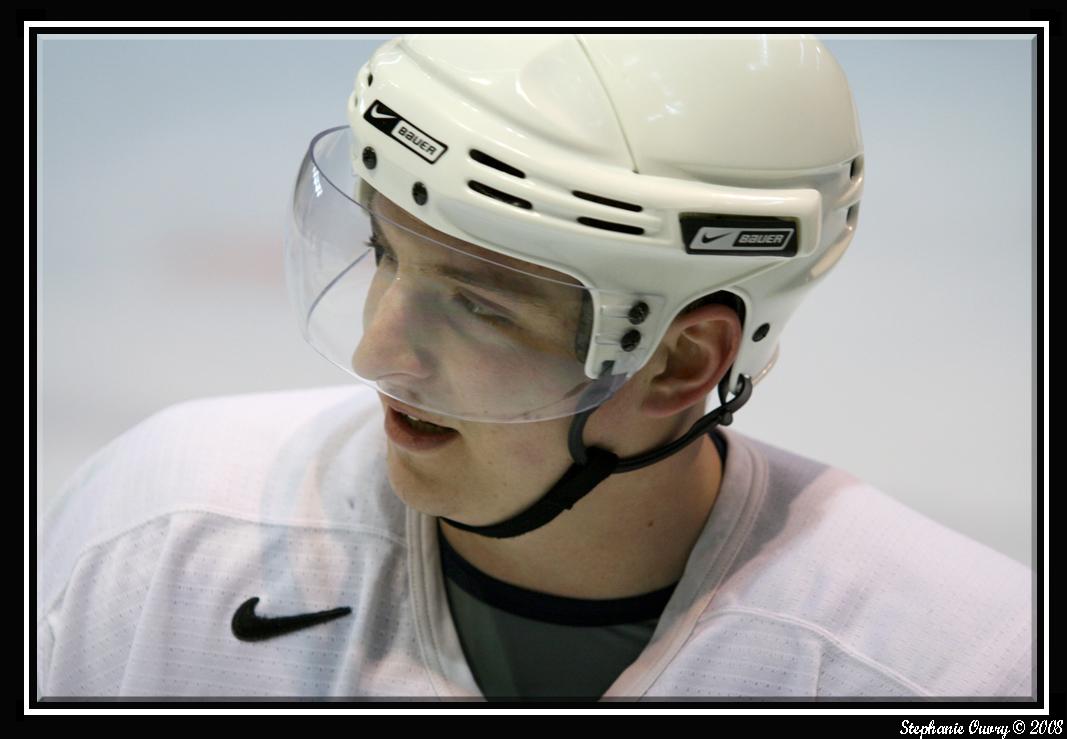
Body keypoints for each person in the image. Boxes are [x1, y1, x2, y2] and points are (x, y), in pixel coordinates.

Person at [37, 34, 1032, 701]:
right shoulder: (155, 541)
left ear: (682, 359)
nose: (374, 352)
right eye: (387, 252)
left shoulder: (954, 671)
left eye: (478, 303)